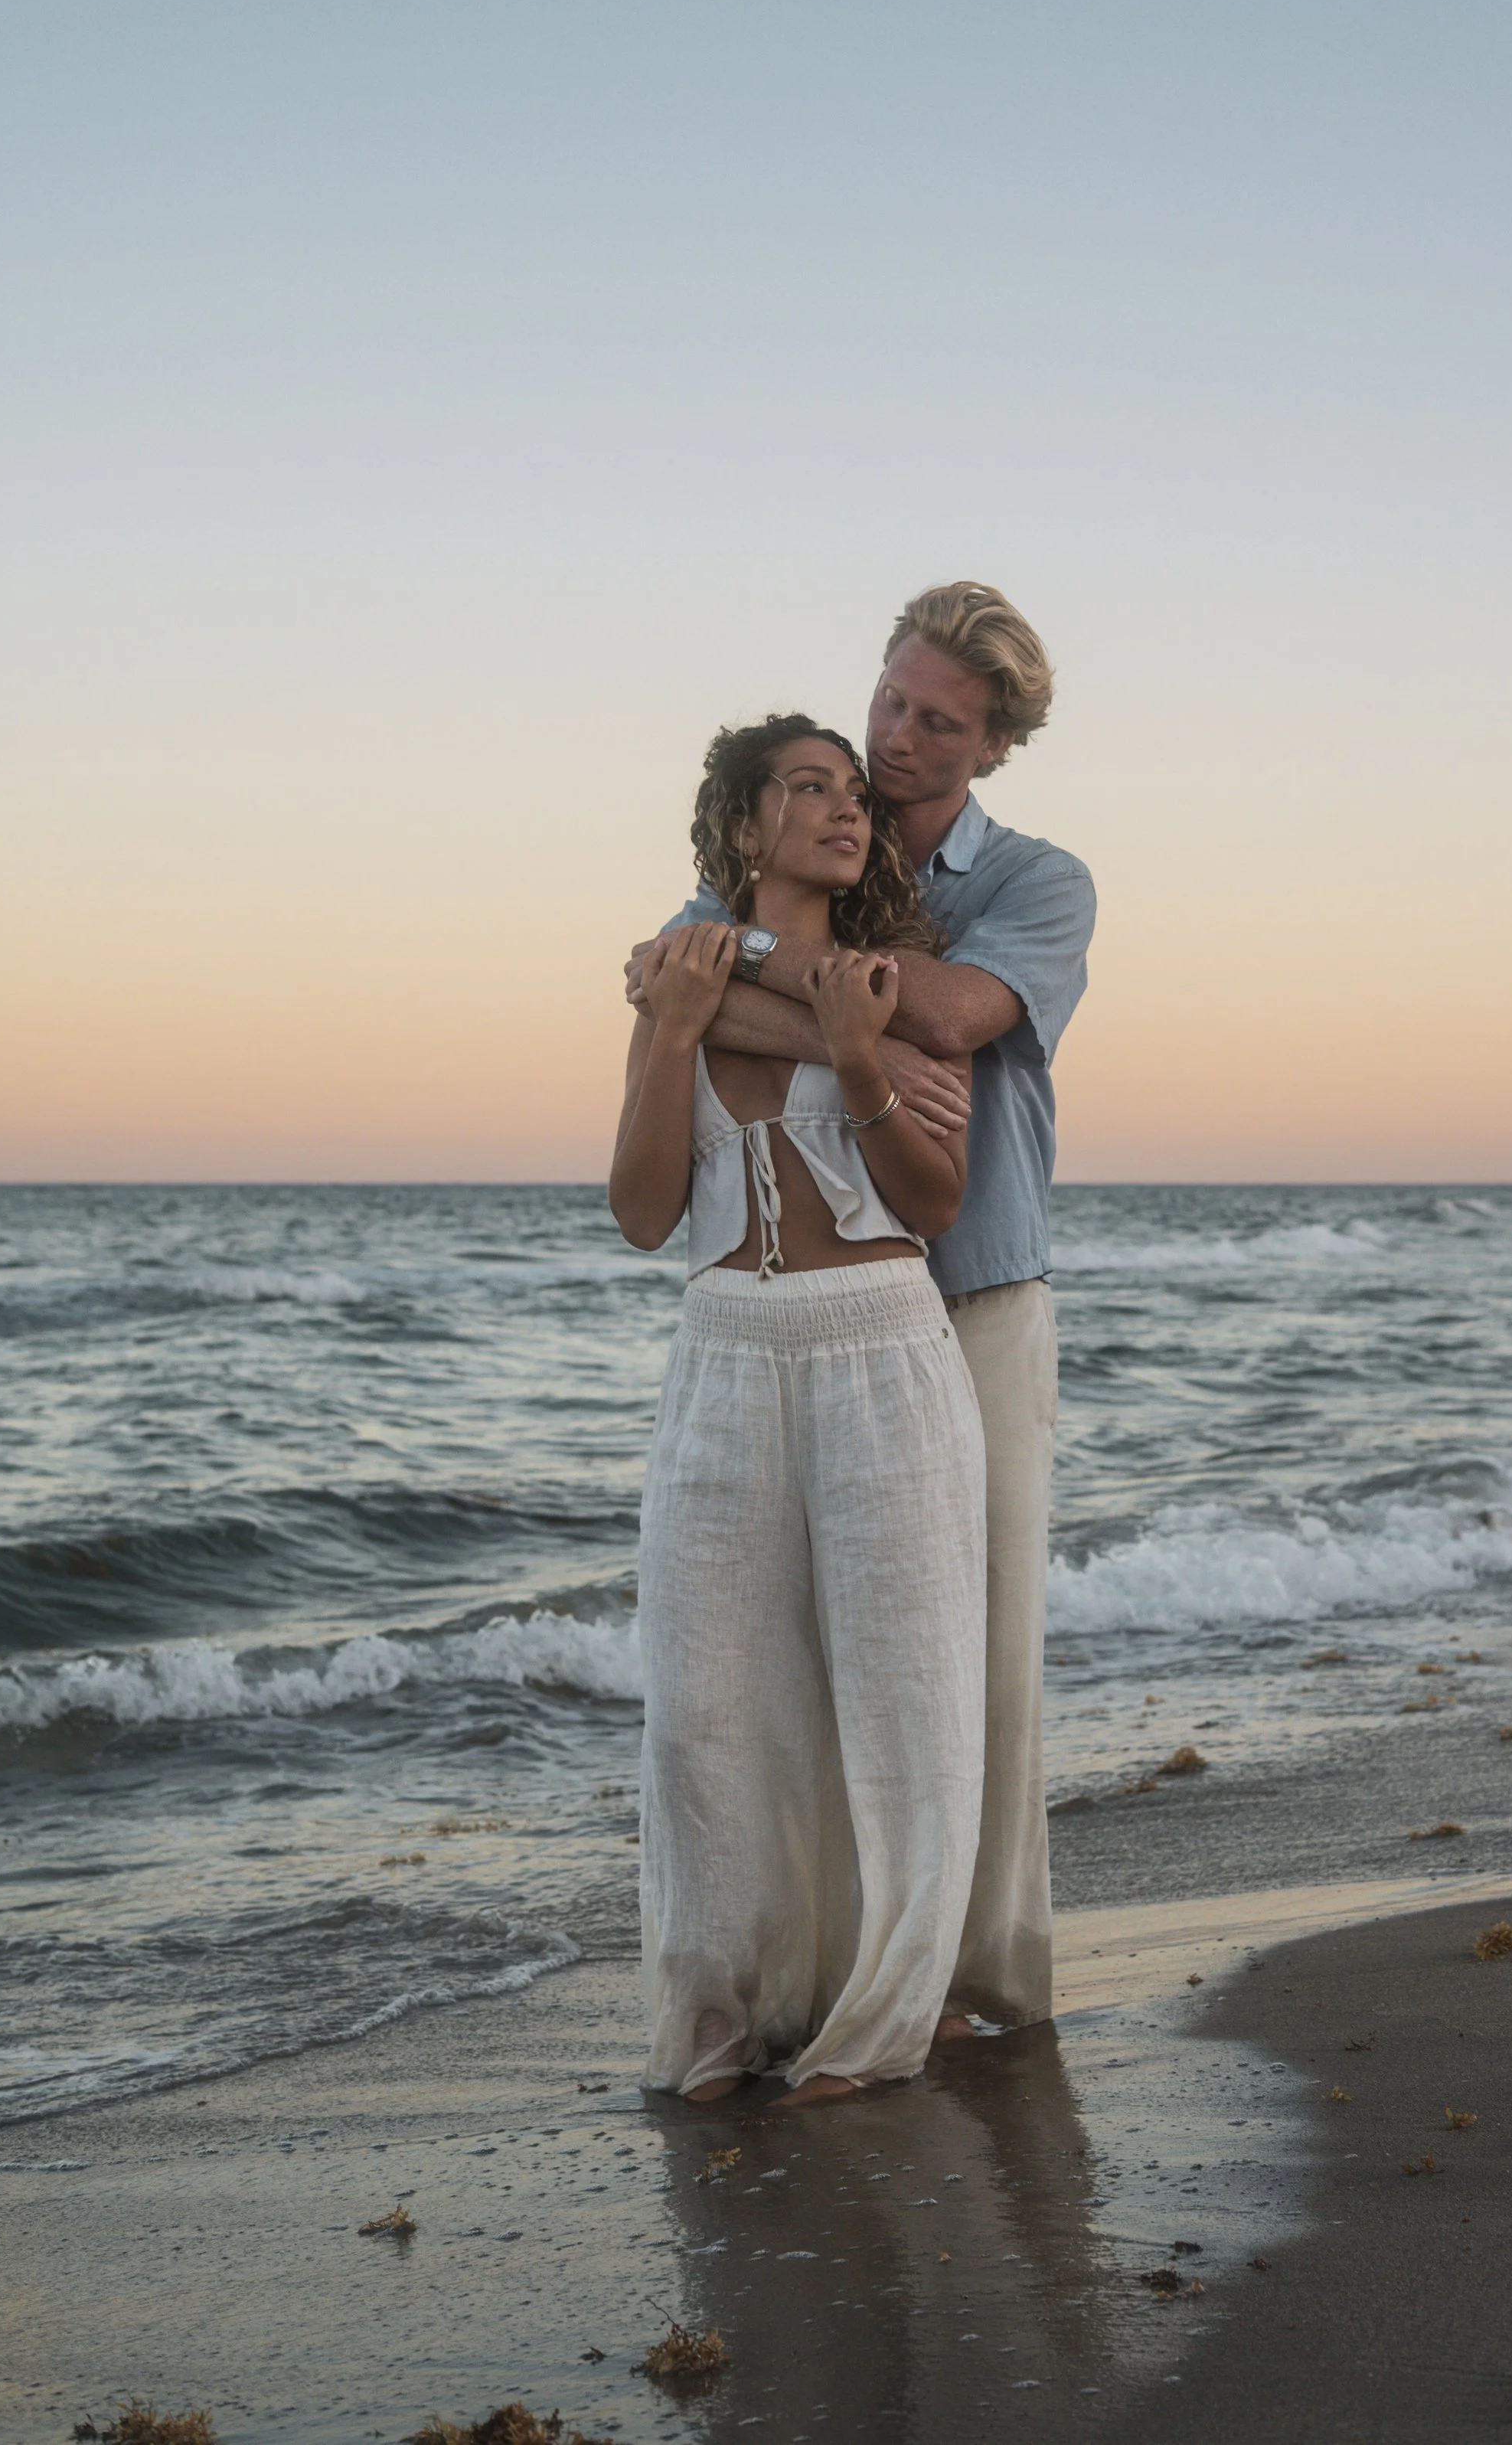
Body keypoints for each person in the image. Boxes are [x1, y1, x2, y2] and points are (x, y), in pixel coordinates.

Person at [627, 582, 1095, 2030]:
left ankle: (976, 1976)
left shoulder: (1041, 881)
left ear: (996, 744)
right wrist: (828, 1004)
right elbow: (656, 981)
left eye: (936, 721)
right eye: (891, 699)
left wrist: (758, 989)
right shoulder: (793, 825)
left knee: (983, 1662)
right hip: (809, 1313)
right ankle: (834, 1967)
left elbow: (955, 1018)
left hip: (978, 1291)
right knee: (818, 1662)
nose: (896, 737)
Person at [610, 716, 988, 2105]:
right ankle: (712, 2017)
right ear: (744, 824)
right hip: (722, 1352)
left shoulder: (883, 987)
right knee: (702, 1704)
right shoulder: (682, 985)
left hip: (884, 1348)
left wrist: (862, 1054)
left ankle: (886, 2015)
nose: (844, 809)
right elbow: (646, 1211)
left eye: (852, 792)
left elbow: (936, 1203)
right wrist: (669, 1029)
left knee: (906, 1694)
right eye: (810, 789)